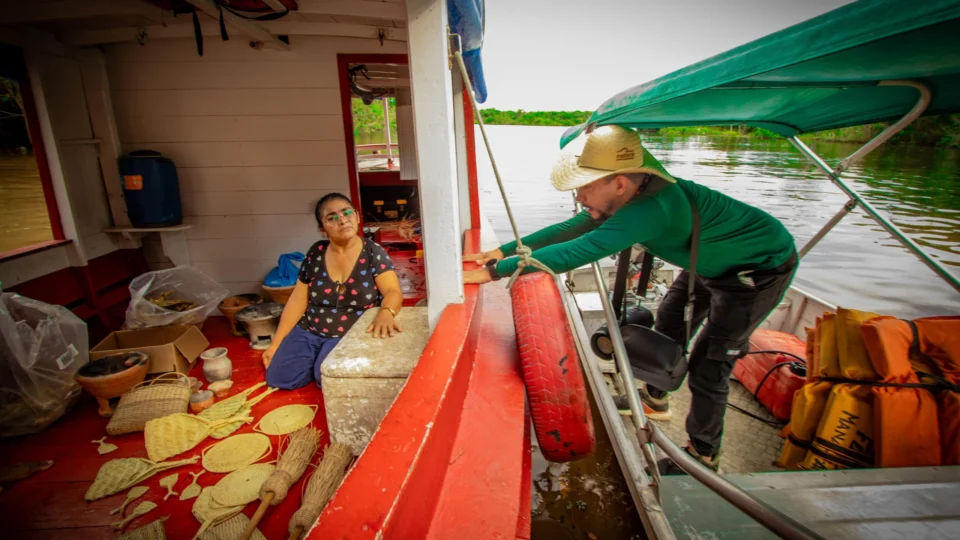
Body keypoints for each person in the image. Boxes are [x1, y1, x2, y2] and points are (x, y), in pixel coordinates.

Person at [463, 126, 797, 471]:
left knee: (709, 365)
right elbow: (571, 229)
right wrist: (499, 251)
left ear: (619, 183)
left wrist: (495, 271)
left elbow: (582, 249)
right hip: (703, 263)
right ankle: (657, 398)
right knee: (668, 320)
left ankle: (703, 453)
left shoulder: (651, 208)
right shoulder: (628, 193)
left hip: (756, 273)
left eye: (584, 187)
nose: (579, 197)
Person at [263, 192, 403, 390]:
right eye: (332, 218)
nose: (343, 220)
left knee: (328, 380)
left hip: (348, 331)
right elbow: (297, 301)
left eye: (347, 213)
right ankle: (314, 358)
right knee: (278, 378)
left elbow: (393, 291)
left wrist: (387, 312)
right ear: (322, 229)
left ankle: (318, 364)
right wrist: (276, 344)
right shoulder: (315, 253)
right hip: (310, 328)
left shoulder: (373, 252)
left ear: (357, 216)